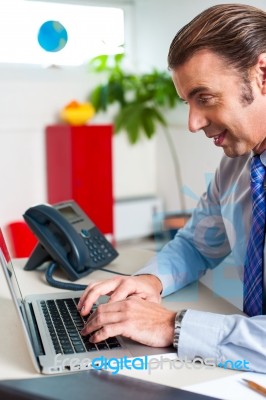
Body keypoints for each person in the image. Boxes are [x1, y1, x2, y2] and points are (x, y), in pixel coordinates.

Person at [78, 4, 266, 373]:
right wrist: (150, 280)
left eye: (205, 97)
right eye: (187, 103)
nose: (193, 123)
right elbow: (197, 243)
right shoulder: (236, 165)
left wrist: (171, 325)